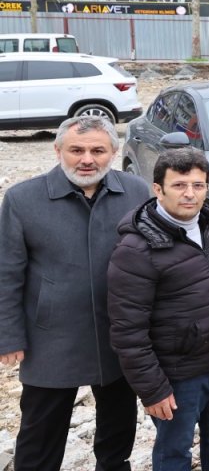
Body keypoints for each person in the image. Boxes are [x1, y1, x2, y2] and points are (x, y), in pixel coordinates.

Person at [0, 115, 150, 471]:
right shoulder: (23, 199)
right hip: (52, 337)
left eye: (98, 150)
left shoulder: (135, 191)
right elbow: (7, 273)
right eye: (76, 150)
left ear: (113, 152)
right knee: (40, 436)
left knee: (117, 432)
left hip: (119, 335)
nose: (87, 159)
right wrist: (8, 335)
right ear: (58, 150)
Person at [107, 147, 209, 471]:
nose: (190, 194)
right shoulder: (136, 250)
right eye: (179, 185)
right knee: (174, 455)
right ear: (158, 189)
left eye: (198, 185)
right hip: (180, 375)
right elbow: (128, 332)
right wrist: (153, 390)